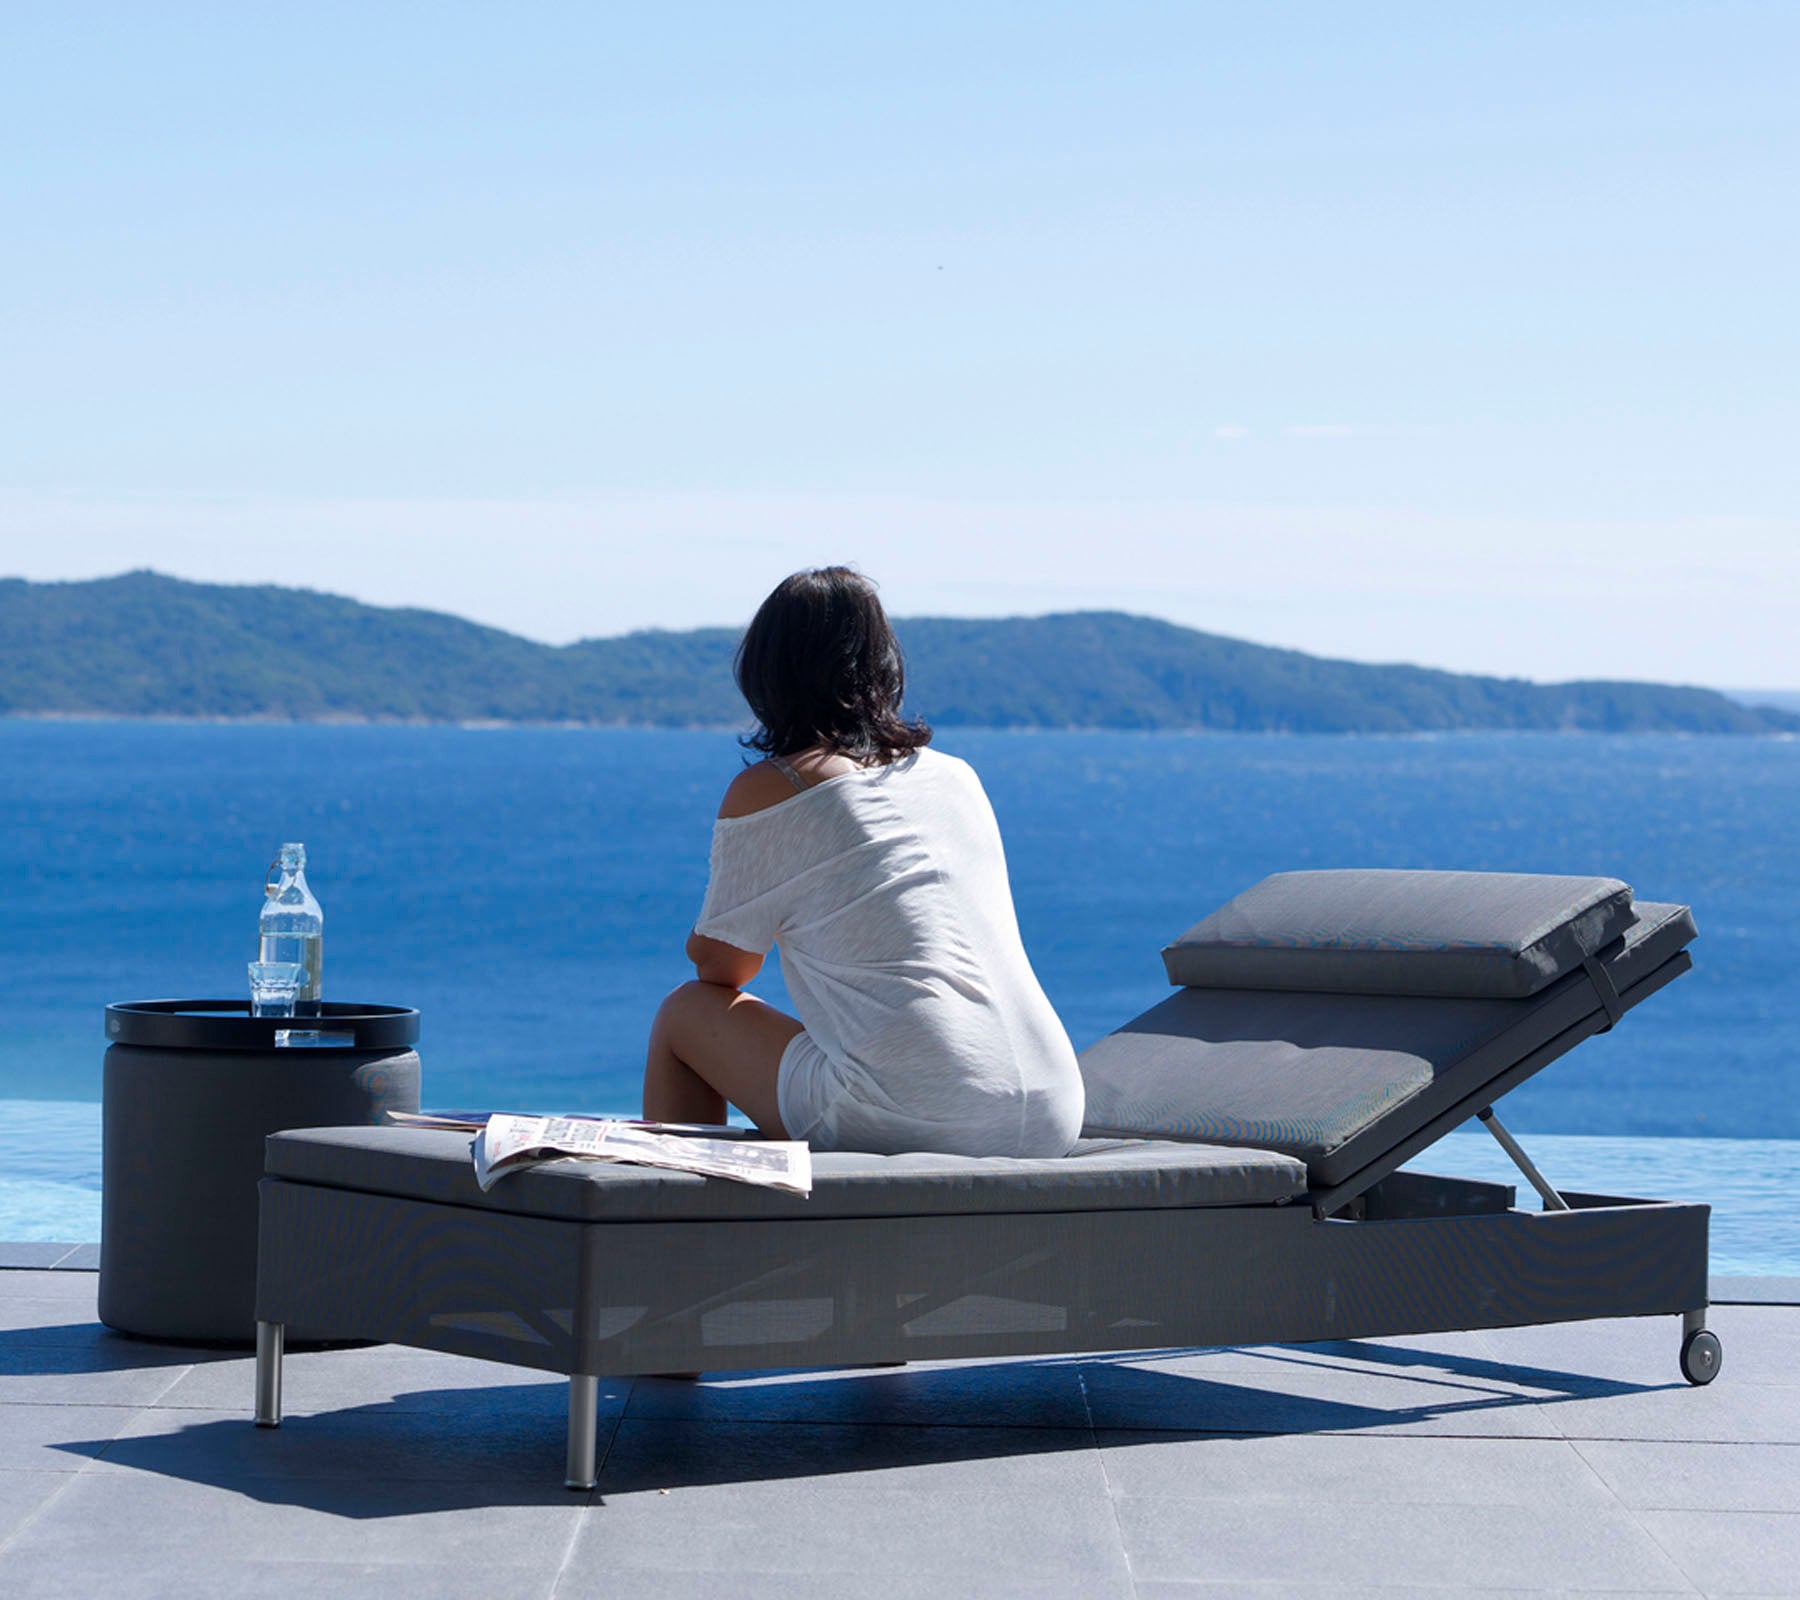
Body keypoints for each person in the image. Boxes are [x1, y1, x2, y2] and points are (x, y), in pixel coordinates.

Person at [643, 567, 1085, 1158]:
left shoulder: (776, 788)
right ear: (883, 665)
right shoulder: (955, 776)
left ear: (766, 670)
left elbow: (723, 972)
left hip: (917, 1114)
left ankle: (675, 1238)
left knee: (684, 1014)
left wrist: (711, 935)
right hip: (1054, 1107)